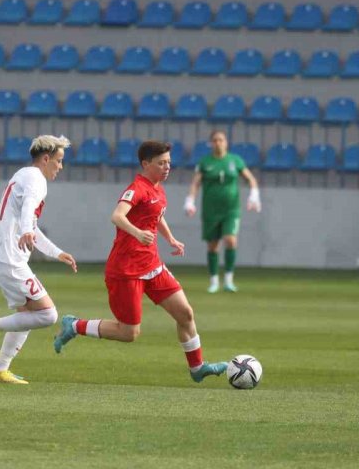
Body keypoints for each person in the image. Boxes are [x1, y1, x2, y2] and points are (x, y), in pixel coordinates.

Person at [53, 140, 228, 383]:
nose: (167, 167)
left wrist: (170, 239)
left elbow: (156, 216)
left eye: (169, 162)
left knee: (185, 314)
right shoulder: (137, 188)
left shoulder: (158, 188)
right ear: (146, 164)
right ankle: (74, 326)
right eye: (161, 163)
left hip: (152, 266)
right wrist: (137, 233)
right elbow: (117, 216)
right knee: (129, 333)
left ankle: (197, 368)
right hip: (126, 270)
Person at [0, 135, 78, 384]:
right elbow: (29, 208)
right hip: (9, 258)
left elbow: (30, 223)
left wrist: (55, 252)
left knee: (27, 315)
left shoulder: (24, 175)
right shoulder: (36, 179)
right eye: (59, 161)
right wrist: (27, 231)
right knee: (48, 314)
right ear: (46, 159)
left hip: (4, 256)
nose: (61, 167)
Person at [184, 130, 260, 293]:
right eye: (215, 140)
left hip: (231, 209)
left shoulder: (235, 160)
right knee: (213, 245)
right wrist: (190, 201)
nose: (218, 143)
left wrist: (254, 196)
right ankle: (214, 281)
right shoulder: (205, 162)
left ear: (226, 143)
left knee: (230, 240)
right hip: (210, 210)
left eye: (221, 140)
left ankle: (229, 280)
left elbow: (251, 179)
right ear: (211, 143)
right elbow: (195, 183)